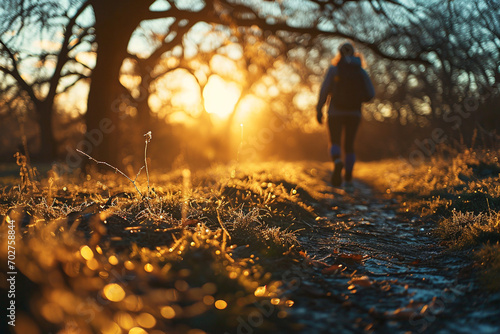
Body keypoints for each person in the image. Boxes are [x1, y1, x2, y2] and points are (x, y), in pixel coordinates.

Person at [316, 42, 375, 188]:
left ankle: (337, 161)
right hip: (354, 113)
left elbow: (324, 91)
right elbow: (371, 94)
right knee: (349, 145)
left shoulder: (334, 70)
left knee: (335, 142)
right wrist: (359, 99)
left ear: (340, 53)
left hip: (335, 112)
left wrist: (319, 109)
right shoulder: (361, 71)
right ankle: (348, 176)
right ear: (354, 53)